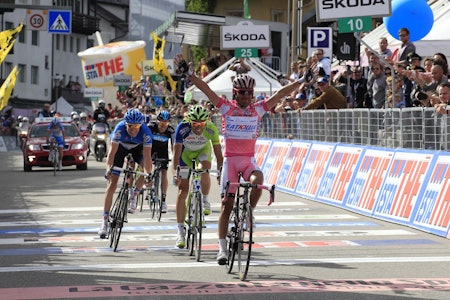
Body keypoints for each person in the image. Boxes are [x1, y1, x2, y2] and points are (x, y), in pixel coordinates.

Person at [174, 53, 305, 264]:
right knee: (226, 204)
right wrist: (190, 74)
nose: (246, 96)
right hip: (230, 162)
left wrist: (300, 81)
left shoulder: (258, 109)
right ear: (236, 93)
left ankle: (249, 212)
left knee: (258, 178)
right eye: (242, 93)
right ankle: (222, 249)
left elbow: (280, 94)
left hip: (247, 160)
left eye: (249, 93)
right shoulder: (227, 108)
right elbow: (207, 90)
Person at [172, 105, 223, 249]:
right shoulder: (182, 128)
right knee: (183, 191)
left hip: (202, 152)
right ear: (189, 122)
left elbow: (219, 155)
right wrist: (176, 174)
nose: (199, 127)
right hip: (185, 155)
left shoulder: (211, 128)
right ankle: (180, 231)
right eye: (195, 124)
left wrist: (220, 172)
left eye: (201, 124)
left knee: (205, 168)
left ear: (206, 122)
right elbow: (176, 155)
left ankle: (205, 199)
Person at [98, 108, 153, 239]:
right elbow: (111, 154)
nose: (133, 129)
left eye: (136, 126)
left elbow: (147, 157)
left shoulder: (146, 132)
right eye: (130, 126)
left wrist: (148, 174)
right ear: (125, 124)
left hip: (137, 149)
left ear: (141, 125)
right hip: (120, 148)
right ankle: (104, 221)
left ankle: (134, 194)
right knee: (112, 184)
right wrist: (108, 169)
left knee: (143, 170)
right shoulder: (119, 129)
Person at [148, 110, 175, 213]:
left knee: (164, 173)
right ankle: (148, 179)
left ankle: (163, 201)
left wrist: (174, 157)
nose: (163, 126)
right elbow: (144, 143)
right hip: (150, 148)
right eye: (161, 123)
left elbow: (174, 146)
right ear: (157, 121)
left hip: (163, 151)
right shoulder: (151, 127)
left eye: (166, 123)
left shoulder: (170, 130)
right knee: (148, 165)